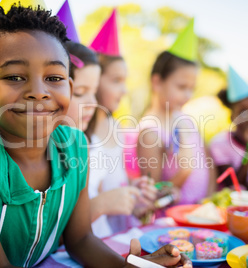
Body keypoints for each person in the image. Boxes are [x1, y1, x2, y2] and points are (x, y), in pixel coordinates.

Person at [0, 5, 191, 267]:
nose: (39, 92)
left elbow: (81, 240)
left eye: (54, 77)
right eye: (15, 76)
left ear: (69, 86)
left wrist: (130, 266)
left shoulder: (76, 147)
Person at [84, 8, 157, 237]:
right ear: (93, 80)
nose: (124, 91)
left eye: (125, 81)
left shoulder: (116, 128)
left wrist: (134, 196)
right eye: (116, 80)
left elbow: (114, 193)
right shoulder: (73, 133)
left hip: (112, 237)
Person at [134, 19, 210, 205]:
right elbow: (153, 196)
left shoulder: (186, 120)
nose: (188, 95)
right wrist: (185, 171)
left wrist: (209, 202)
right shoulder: (150, 133)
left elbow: (209, 162)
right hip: (172, 225)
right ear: (157, 82)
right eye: (181, 86)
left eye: (192, 88)